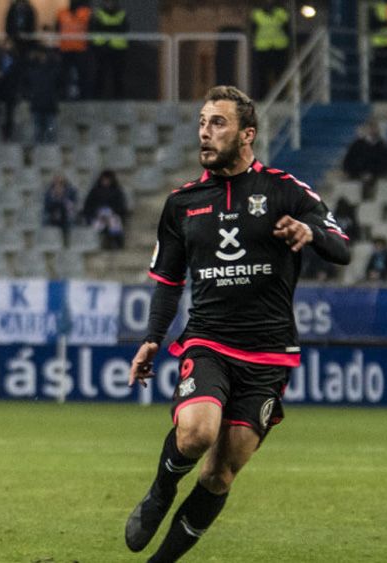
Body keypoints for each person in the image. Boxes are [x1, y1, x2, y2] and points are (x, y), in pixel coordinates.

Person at [124, 86, 350, 562]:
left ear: (247, 134)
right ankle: (162, 489)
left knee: (219, 474)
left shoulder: (286, 190)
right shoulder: (183, 203)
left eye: (218, 123)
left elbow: (341, 245)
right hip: (208, 341)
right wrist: (151, 339)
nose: (205, 132)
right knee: (197, 432)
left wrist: (309, 232)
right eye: (203, 122)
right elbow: (167, 281)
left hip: (268, 354)